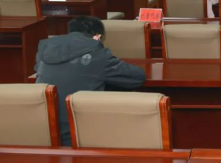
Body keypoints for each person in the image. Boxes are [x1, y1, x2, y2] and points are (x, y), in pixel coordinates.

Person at [34, 16, 146, 146]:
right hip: (80, 134)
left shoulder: (45, 51)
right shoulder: (97, 54)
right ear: (97, 37)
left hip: (43, 131)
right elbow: (137, 77)